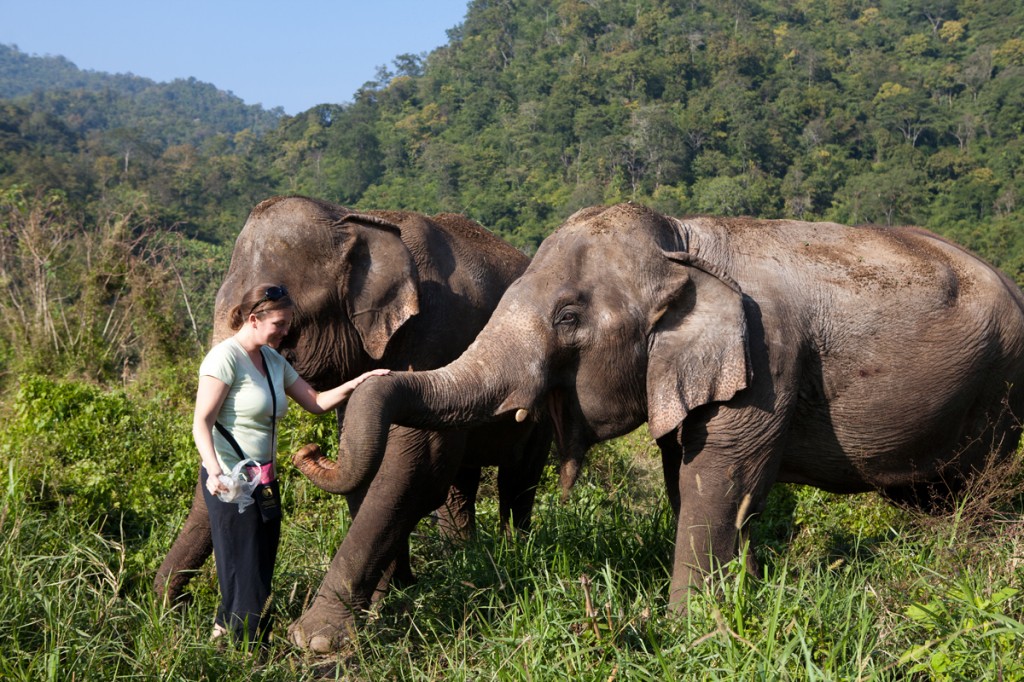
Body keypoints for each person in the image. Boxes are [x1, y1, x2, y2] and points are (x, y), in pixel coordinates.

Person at [193, 283, 388, 645]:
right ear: (254, 319)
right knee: (244, 568)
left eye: (287, 323)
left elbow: (315, 401)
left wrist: (360, 383)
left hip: (264, 480)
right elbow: (201, 421)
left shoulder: (272, 360)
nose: (286, 331)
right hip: (232, 483)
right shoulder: (224, 359)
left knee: (261, 565)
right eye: (280, 324)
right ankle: (249, 649)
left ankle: (222, 641)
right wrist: (215, 470)